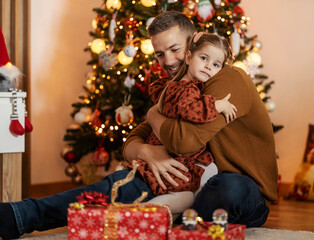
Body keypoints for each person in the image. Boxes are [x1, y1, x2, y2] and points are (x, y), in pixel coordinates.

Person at [0, 11, 277, 239]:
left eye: (174, 49)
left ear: (193, 44)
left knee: (224, 189)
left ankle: (175, 220)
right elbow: (133, 140)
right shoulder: (176, 87)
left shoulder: (227, 78)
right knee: (116, 186)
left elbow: (183, 142)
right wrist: (146, 152)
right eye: (159, 54)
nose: (167, 61)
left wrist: (155, 117)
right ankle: (18, 215)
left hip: (240, 186)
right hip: (182, 182)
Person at [132, 32, 236, 213]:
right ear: (189, 57)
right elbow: (190, 110)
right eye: (204, 58)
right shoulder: (186, 88)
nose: (208, 66)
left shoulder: (179, 85)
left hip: (176, 152)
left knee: (205, 175)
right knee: (187, 196)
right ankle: (145, 212)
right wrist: (217, 105)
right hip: (173, 155)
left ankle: (158, 212)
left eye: (216, 64)